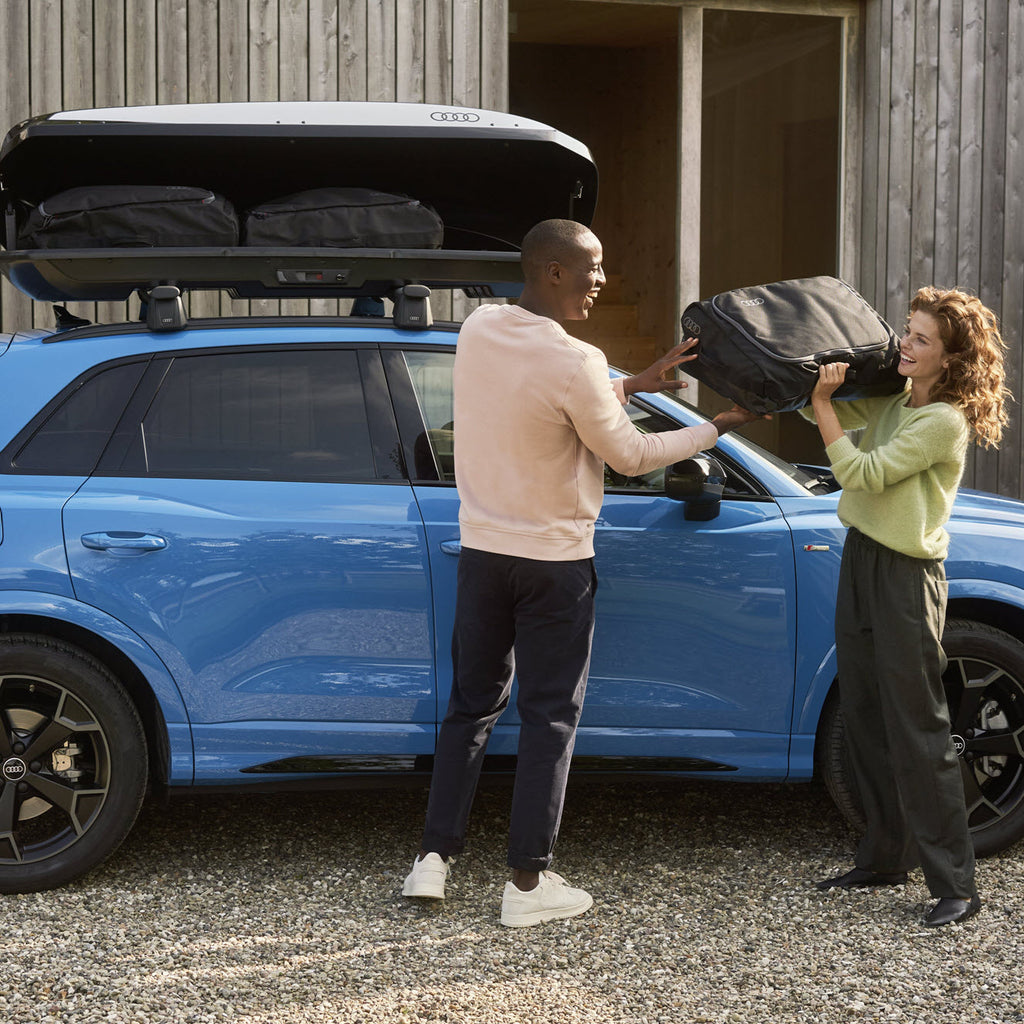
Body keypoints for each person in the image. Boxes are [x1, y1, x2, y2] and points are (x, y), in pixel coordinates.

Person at [402, 218, 762, 927]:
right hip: (554, 566)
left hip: (483, 557)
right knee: (549, 719)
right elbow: (629, 456)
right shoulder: (577, 360)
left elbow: (533, 403)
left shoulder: (478, 329)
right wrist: (715, 429)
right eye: (591, 267)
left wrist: (628, 384)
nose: (601, 280)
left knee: (470, 707)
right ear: (552, 271)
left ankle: (432, 862)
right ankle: (527, 886)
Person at [807, 286, 1009, 927]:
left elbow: (861, 473)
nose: (906, 344)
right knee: (864, 713)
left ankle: (956, 885)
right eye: (907, 331)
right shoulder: (897, 400)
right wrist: (814, 388)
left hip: (906, 576)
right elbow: (826, 407)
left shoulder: (942, 421)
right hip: (862, 558)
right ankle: (885, 857)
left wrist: (823, 406)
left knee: (919, 727)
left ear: (950, 358)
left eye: (921, 339)